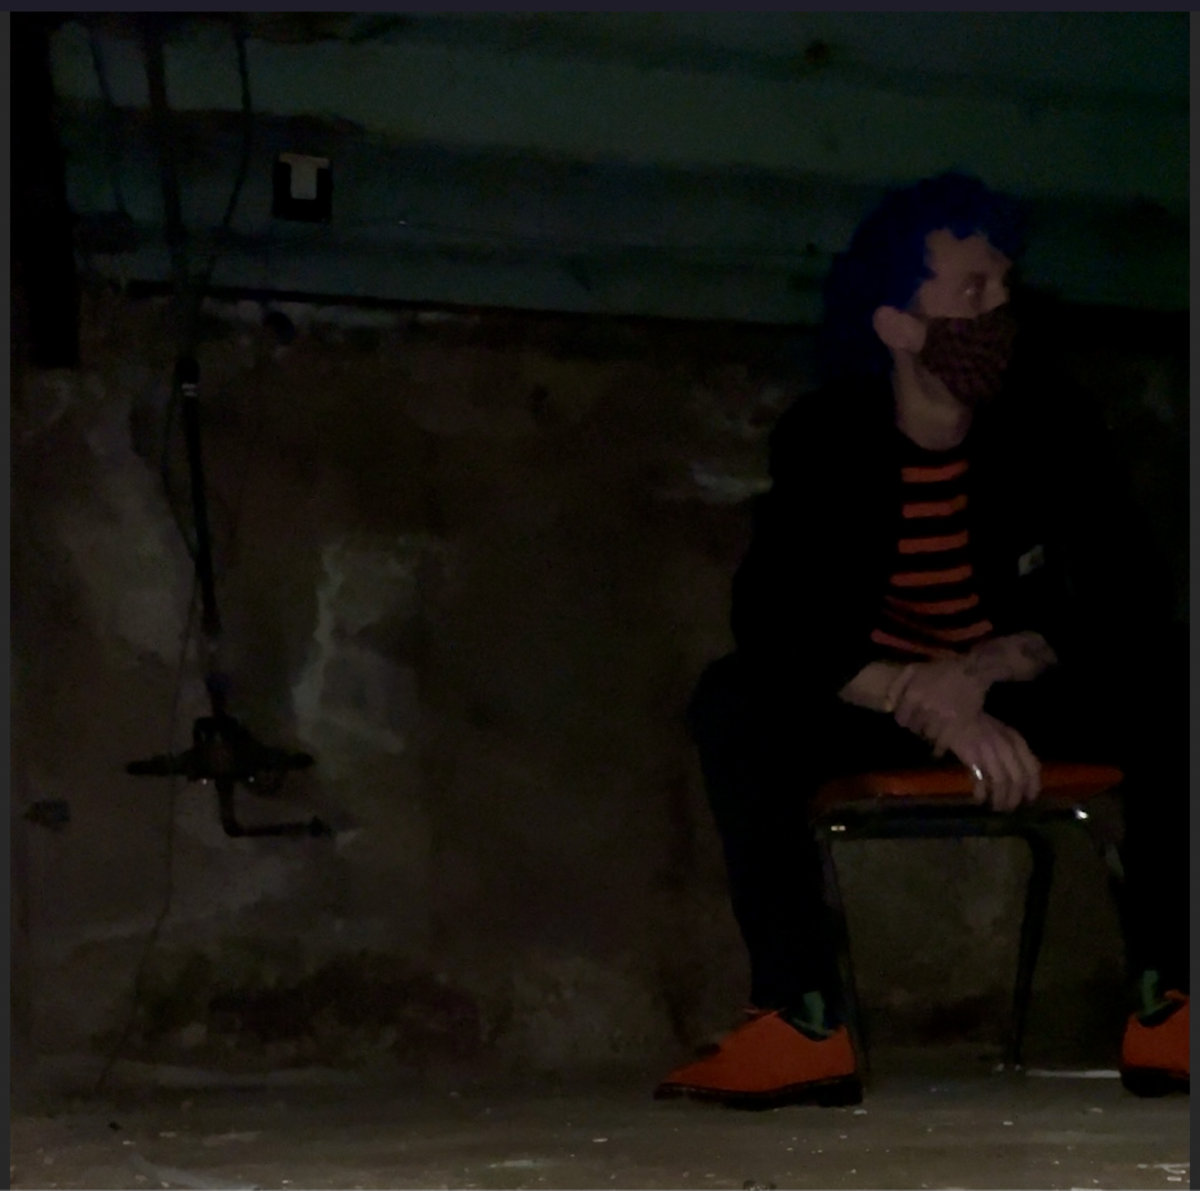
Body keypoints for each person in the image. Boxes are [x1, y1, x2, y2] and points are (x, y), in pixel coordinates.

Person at [655, 172, 1188, 1108]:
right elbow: (775, 620)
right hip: (879, 701)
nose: (997, 312)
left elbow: (1126, 594)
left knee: (1173, 680)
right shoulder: (827, 438)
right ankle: (800, 1022)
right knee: (735, 702)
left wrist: (988, 668)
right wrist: (917, 694)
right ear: (898, 325)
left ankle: (1172, 1002)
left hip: (1013, 695)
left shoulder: (1052, 423)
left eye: (1004, 287)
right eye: (972, 292)